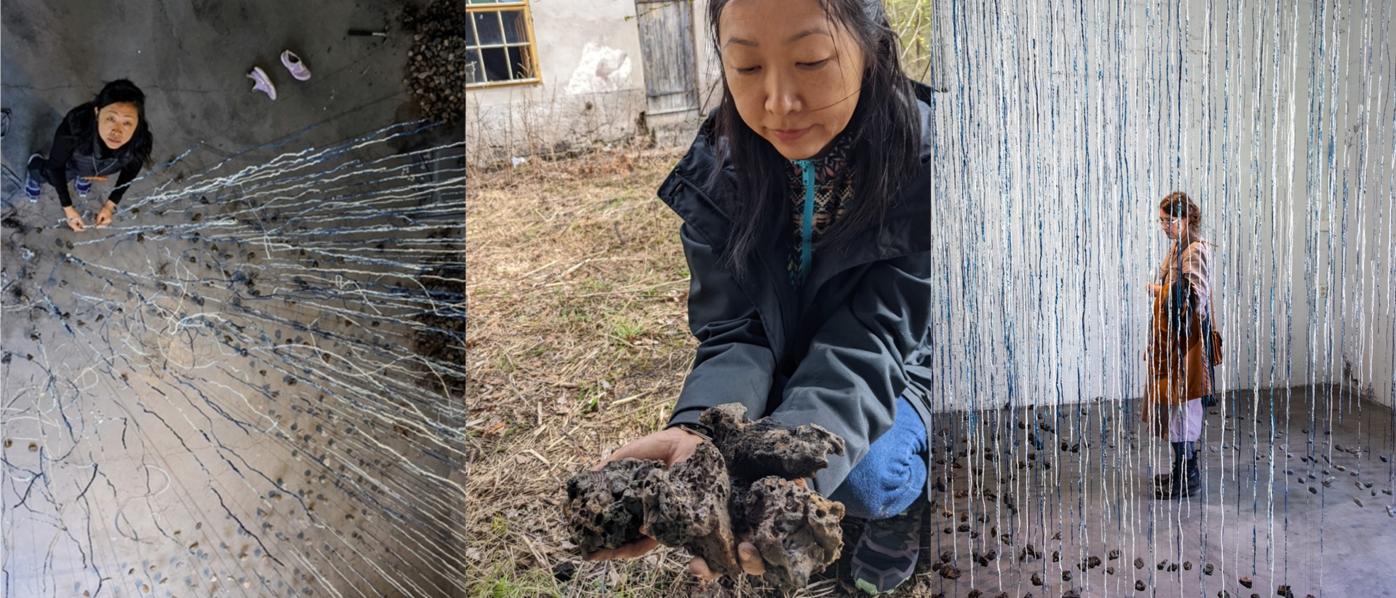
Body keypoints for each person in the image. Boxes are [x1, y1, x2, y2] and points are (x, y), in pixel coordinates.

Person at [586, 0, 933, 594]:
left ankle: (899, 513)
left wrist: (786, 464)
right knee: (754, 461)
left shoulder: (926, 163)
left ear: (871, 47)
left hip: (892, 363)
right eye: (746, 69)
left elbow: (875, 335)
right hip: (784, 355)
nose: (777, 102)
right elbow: (734, 331)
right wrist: (702, 435)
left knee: (869, 479)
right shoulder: (716, 174)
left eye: (811, 60)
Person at [1146, 191, 1216, 499]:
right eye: (1161, 221)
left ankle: (1187, 477)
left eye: (1169, 220)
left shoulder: (1194, 250)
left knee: (1185, 407)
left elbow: (1192, 295)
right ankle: (1182, 470)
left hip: (1189, 342)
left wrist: (1159, 290)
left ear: (1186, 218)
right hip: (1177, 339)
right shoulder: (1179, 246)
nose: (1164, 227)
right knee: (1178, 405)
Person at [24, 79, 154, 232]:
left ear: (137, 123)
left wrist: (110, 205)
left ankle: (85, 175)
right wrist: (68, 209)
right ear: (97, 113)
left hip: (96, 168)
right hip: (72, 162)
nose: (117, 131)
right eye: (111, 118)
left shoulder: (139, 140)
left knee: (87, 170)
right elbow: (56, 167)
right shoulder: (75, 127)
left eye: (127, 123)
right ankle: (35, 169)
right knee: (51, 177)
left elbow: (131, 169)